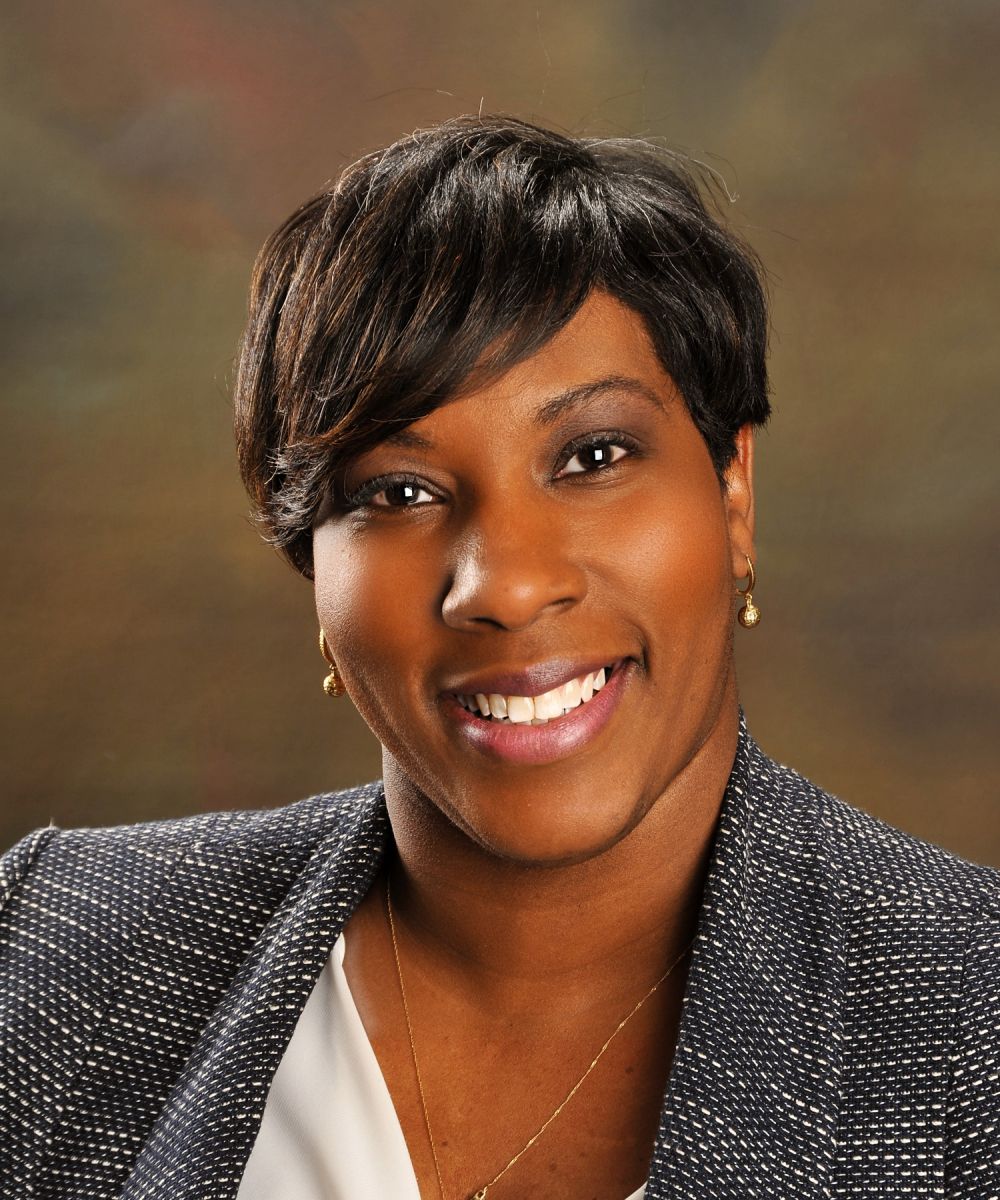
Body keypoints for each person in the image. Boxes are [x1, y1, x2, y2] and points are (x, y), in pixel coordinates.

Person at [1, 114, 997, 1200]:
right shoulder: (47, 953)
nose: (506, 587)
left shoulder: (969, 1021)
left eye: (593, 456)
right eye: (399, 491)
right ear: (312, 563)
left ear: (732, 493)